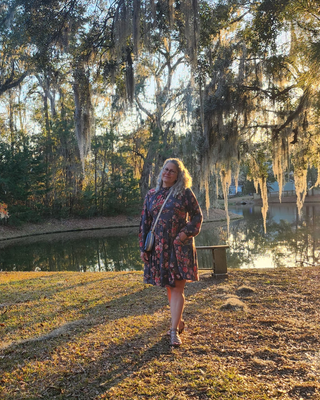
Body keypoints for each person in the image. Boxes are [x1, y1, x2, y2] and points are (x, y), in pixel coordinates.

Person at [139, 158, 203, 346]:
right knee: (169, 286)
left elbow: (198, 216)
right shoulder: (151, 194)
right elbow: (145, 222)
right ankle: (179, 319)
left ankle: (173, 331)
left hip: (179, 247)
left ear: (178, 176)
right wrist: (144, 247)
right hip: (159, 249)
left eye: (172, 171)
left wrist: (184, 235)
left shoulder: (184, 193)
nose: (167, 173)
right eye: (165, 170)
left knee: (177, 287)